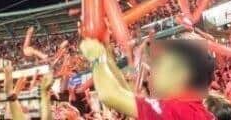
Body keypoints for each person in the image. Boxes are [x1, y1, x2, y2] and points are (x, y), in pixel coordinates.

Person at [80, 38, 216, 119]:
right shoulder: (191, 111)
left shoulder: (176, 110)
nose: (151, 72)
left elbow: (111, 95)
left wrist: (97, 58)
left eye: (159, 65)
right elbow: (127, 94)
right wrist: (107, 56)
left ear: (181, 74)